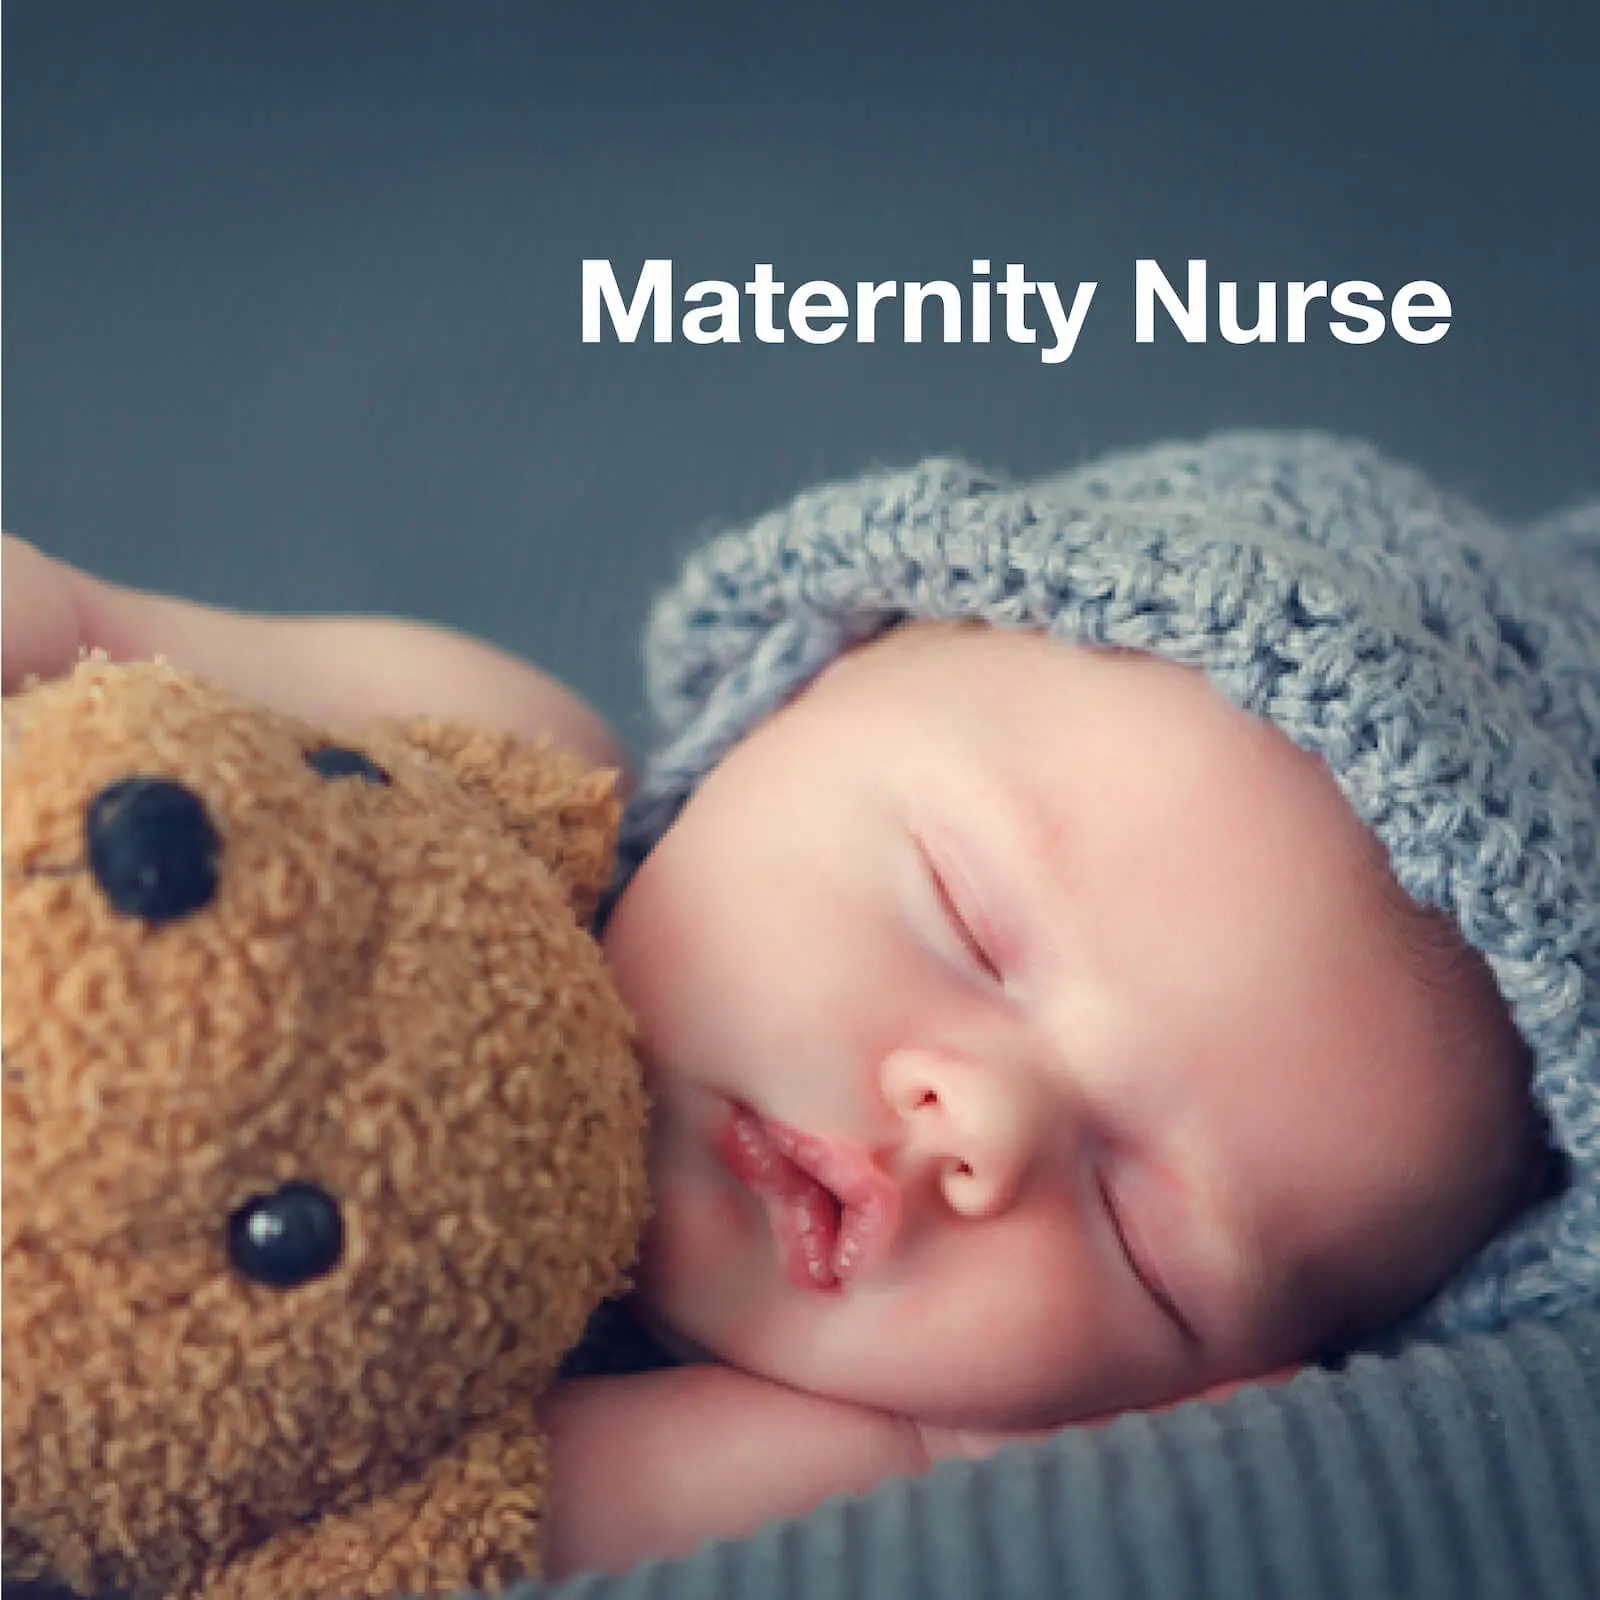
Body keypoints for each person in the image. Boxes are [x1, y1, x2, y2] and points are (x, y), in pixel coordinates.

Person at [4, 430, 1598, 1599]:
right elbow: (83, 639)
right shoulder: (507, 770)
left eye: (1145, 1240)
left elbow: (398, 1516)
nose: (977, 1129)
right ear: (792, 698)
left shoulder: (832, 1451)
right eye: (968, 922)